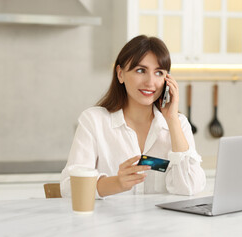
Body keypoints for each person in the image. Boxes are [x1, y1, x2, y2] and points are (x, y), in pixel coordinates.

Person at [60, 35, 206, 198]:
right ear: (120, 74)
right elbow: (68, 187)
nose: (150, 82)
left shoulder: (178, 124)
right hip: (107, 223)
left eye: (159, 73)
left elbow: (190, 187)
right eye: (140, 70)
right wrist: (117, 183)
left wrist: (172, 119)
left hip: (162, 223)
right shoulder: (93, 121)